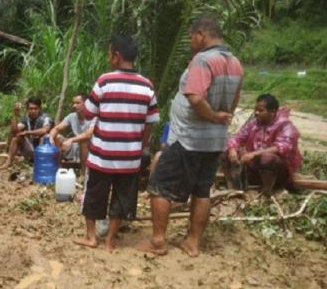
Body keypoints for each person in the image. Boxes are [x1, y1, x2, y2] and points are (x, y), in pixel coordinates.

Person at [138, 15, 243, 257]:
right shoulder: (235, 63)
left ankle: (158, 241)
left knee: (160, 186)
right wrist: (220, 120)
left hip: (189, 137)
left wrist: (213, 116)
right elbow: (234, 100)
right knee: (201, 191)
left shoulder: (203, 60)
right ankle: (193, 243)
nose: (190, 42)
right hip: (214, 141)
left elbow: (195, 97)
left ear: (202, 34)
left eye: (191, 37)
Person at [73, 34, 160, 252]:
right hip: (130, 158)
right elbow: (150, 123)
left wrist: (83, 108)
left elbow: (88, 112)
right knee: (122, 200)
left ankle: (92, 238)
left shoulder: (105, 81)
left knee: (94, 196)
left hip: (102, 155)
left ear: (117, 56)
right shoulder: (147, 86)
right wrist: (140, 146)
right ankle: (111, 240)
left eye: (109, 53)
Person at [223, 94, 302, 195]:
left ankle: (267, 191)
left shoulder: (285, 125)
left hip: (279, 172)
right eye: (256, 110)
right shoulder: (254, 123)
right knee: (225, 150)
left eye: (260, 110)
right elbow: (238, 138)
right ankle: (231, 186)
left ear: (272, 111)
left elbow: (283, 147)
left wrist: (254, 154)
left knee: (267, 157)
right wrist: (232, 149)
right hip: (255, 167)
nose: (256, 113)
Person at [0, 97, 53, 168]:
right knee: (16, 139)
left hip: (43, 150)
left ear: (40, 109)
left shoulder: (46, 118)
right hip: (31, 149)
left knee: (43, 137)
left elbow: (44, 130)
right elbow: (14, 130)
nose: (33, 111)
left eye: (35, 109)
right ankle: (8, 162)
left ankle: (40, 163)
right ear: (27, 109)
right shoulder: (26, 119)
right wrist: (15, 114)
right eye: (31, 109)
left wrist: (27, 132)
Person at [49, 93, 95, 171]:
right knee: (57, 137)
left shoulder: (93, 117)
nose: (74, 106)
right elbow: (56, 129)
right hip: (75, 146)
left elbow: (88, 135)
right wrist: (51, 138)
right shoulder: (72, 116)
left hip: (91, 148)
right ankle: (57, 169)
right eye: (73, 103)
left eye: (77, 103)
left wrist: (71, 140)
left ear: (86, 104)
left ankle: (84, 175)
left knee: (83, 141)